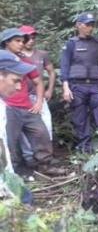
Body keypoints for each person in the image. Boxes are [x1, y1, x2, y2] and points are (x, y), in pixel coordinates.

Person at [0, 28, 62, 175]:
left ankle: (45, 165)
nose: (22, 44)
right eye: (17, 41)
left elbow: (38, 81)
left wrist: (39, 101)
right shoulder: (2, 59)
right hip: (8, 107)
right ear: (6, 42)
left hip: (27, 105)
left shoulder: (23, 61)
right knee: (9, 142)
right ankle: (13, 172)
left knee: (41, 134)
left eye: (23, 41)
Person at [60, 12, 98, 153]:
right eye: (87, 25)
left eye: (92, 25)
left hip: (97, 86)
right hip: (77, 86)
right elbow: (64, 66)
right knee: (79, 119)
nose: (90, 28)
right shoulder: (71, 44)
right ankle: (84, 148)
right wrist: (65, 87)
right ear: (78, 25)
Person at [0, 50, 35, 203]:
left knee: (27, 199)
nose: (20, 87)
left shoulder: (2, 105)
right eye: (15, 80)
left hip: (5, 176)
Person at [18, 25, 56, 165]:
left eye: (33, 37)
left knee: (46, 124)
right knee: (25, 128)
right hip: (22, 98)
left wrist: (49, 90)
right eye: (28, 38)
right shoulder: (15, 56)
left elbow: (51, 72)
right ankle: (29, 157)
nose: (31, 40)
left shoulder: (42, 55)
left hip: (38, 96)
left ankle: (47, 155)